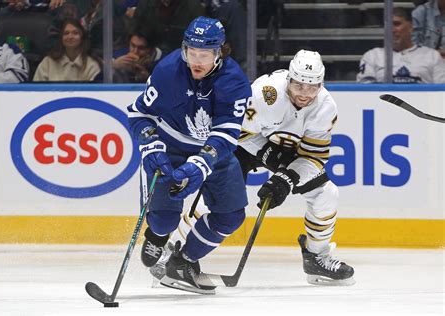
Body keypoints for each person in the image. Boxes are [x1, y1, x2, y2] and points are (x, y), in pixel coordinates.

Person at [151, 49, 355, 287]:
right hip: (244, 145)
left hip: (288, 156)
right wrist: (267, 153)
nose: (305, 94)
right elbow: (236, 131)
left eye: (312, 88)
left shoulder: (325, 107)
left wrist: (286, 179)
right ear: (289, 79)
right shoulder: (264, 93)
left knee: (326, 193)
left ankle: (316, 257)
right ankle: (171, 251)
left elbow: (314, 155)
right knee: (215, 201)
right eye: (299, 86)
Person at [126, 16, 251, 294]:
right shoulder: (168, 70)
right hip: (170, 147)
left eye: (204, 54)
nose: (196, 60)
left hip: (215, 153)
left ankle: (182, 262)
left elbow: (227, 134)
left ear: (219, 52)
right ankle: (157, 236)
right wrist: (150, 144)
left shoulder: (234, 81)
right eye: (191, 52)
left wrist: (201, 162)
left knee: (230, 216)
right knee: (163, 221)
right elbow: (138, 113)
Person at [357, 7, 445, 83]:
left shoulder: (432, 55)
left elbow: (441, 91)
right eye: (388, 25)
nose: (392, 30)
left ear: (410, 27)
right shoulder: (372, 56)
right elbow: (366, 90)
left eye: (396, 24)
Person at [33, 18, 101, 82]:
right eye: (66, 33)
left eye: (75, 33)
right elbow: (36, 91)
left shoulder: (92, 65)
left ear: (82, 37)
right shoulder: (48, 62)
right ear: (61, 38)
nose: (70, 37)